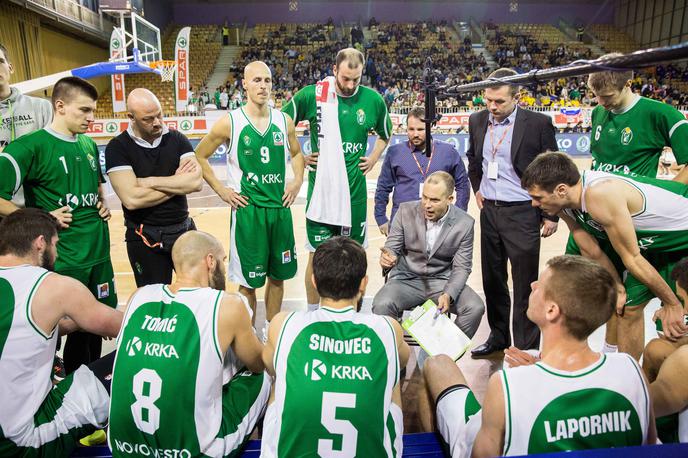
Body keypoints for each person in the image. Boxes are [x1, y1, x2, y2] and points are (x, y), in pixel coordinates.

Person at [421, 255, 656, 457]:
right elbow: (649, 447)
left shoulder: (507, 385)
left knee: (436, 362)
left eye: (540, 286)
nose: (532, 285)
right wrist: (541, 365)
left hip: (478, 434)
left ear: (552, 310)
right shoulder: (632, 370)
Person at [565, 56, 688, 355]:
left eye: (607, 97)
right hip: (599, 218)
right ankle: (609, 356)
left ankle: (634, 377)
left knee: (631, 306)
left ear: (628, 85)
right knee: (607, 295)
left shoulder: (662, 114)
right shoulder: (598, 114)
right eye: (596, 96)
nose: (601, 103)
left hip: (637, 221)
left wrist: (669, 199)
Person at [108, 230, 269, 457]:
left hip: (124, 447)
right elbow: (258, 364)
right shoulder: (227, 304)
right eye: (222, 260)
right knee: (264, 375)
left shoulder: (140, 295)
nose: (224, 267)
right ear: (210, 261)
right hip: (191, 452)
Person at [0, 76, 116, 374]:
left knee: (91, 334)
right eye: (84, 111)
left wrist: (101, 204)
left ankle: (87, 395)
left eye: (93, 111)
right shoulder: (31, 146)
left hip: (98, 255)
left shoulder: (89, 144)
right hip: (63, 258)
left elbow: (96, 191)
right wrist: (40, 218)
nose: (91, 118)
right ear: (60, 106)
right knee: (58, 331)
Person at [522, 151, 688, 359]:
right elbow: (590, 249)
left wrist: (672, 304)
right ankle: (628, 375)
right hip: (657, 243)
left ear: (561, 190)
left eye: (537, 197)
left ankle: (640, 381)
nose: (534, 204)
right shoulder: (566, 203)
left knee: (677, 319)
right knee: (627, 307)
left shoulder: (599, 195)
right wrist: (617, 286)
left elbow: (633, 258)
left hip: (681, 236)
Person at [261, 236, 409, 457]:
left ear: (314, 281)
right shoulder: (388, 327)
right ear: (363, 283)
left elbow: (269, 366)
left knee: (280, 376)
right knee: (391, 373)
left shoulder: (283, 324)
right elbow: (404, 361)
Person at [0, 209, 123, 456]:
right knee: (140, 352)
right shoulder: (52, 285)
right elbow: (132, 326)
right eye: (55, 244)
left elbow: (19, 330)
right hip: (23, 441)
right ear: (40, 243)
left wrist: (76, 322)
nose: (56, 253)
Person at [283, 47, 393, 311]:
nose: (350, 84)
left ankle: (354, 310)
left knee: (356, 255)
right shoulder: (314, 94)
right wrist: (299, 153)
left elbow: (385, 133)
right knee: (317, 256)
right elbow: (282, 123)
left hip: (354, 193)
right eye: (345, 78)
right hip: (322, 192)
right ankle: (312, 313)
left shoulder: (373, 100)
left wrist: (375, 155)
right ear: (334, 71)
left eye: (356, 79)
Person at [195, 61, 304, 325]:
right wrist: (222, 190)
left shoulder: (283, 120)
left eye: (267, 80)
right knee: (248, 284)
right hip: (248, 213)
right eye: (256, 80)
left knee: (278, 277)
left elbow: (297, 152)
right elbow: (199, 155)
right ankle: (249, 339)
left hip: (279, 211)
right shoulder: (230, 122)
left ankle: (272, 334)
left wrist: (297, 180)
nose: (263, 86)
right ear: (244, 84)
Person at [466, 68, 558, 357]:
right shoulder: (477, 119)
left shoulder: (538, 123)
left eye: (499, 102)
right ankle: (498, 337)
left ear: (517, 98)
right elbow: (473, 157)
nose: (492, 107)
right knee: (493, 280)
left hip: (522, 212)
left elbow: (553, 167)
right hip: (490, 211)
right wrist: (477, 187)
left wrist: (551, 213)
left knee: (524, 283)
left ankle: (526, 347)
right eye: (488, 100)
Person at [105, 88, 202, 287]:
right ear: (131, 117)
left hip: (184, 230)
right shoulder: (117, 147)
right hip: (144, 237)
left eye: (159, 115)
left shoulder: (177, 139)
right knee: (154, 301)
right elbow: (132, 200)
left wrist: (149, 181)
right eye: (148, 119)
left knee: (200, 292)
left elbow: (195, 182)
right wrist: (177, 183)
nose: (157, 122)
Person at [372, 172, 484, 338]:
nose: (427, 204)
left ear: (450, 200)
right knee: (381, 304)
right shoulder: (405, 211)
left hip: (442, 282)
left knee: (475, 308)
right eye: (424, 197)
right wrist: (387, 259)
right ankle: (396, 357)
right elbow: (392, 248)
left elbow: (462, 267)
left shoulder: (465, 223)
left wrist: (448, 294)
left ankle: (443, 356)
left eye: (434, 200)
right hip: (406, 280)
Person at [374, 107, 470, 236]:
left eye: (420, 129)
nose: (415, 134)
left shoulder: (448, 152)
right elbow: (383, 187)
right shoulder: (395, 152)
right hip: (402, 222)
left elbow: (463, 184)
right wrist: (380, 218)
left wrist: (458, 213)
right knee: (398, 257)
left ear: (430, 127)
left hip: (439, 223)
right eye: (411, 129)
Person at [0, 43, 52, 207]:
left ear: (11, 67)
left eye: (0, 61)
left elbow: (52, 154)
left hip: (38, 206)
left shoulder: (42, 107)